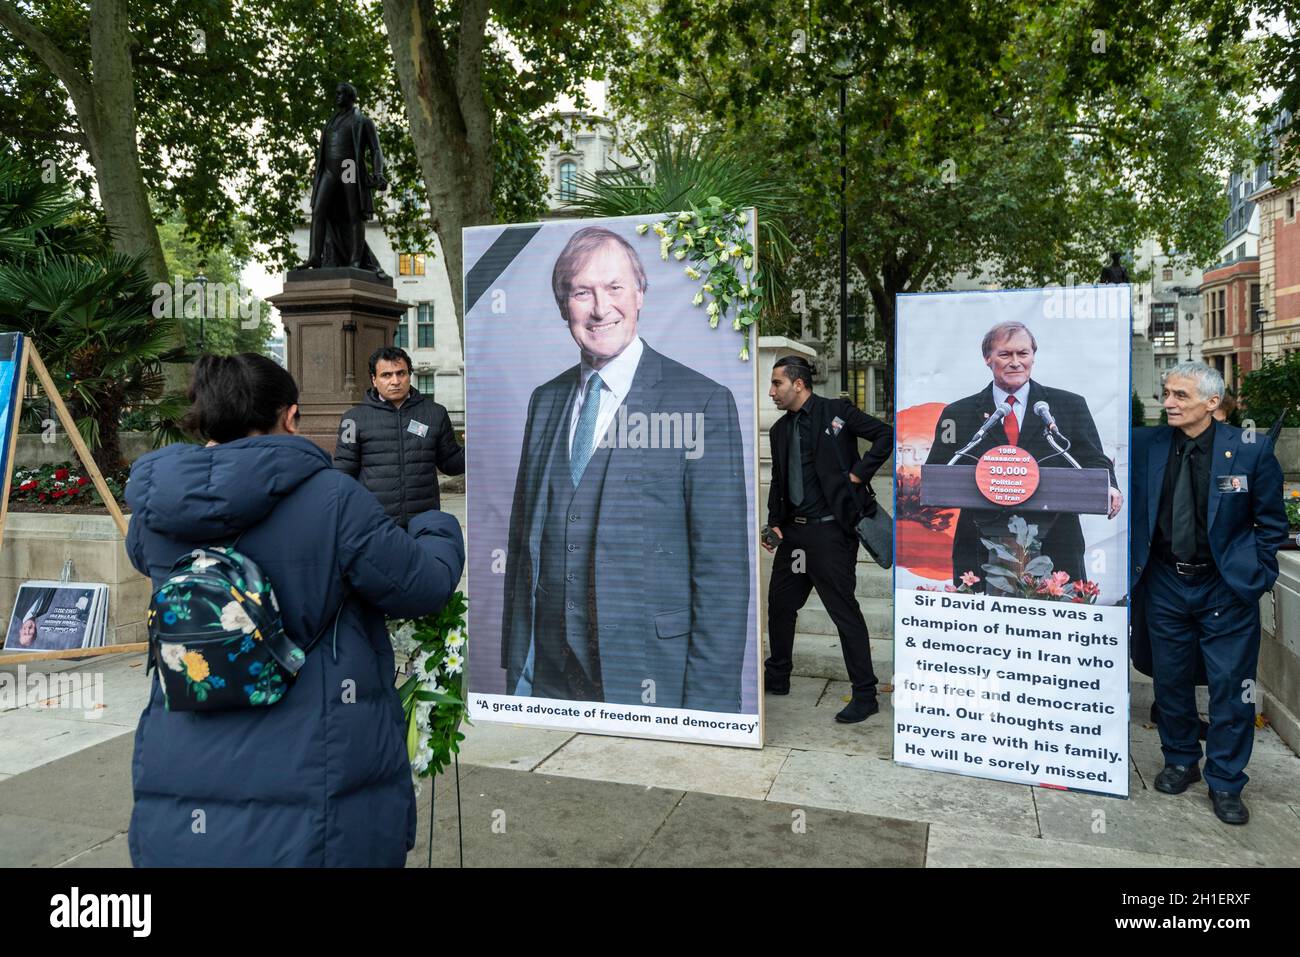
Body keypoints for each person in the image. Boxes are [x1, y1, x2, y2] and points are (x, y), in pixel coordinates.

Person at [124, 353, 465, 866]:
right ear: (290, 416)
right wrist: (436, 528)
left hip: (184, 755)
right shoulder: (331, 498)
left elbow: (142, 557)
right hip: (315, 761)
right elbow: (419, 585)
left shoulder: (156, 508)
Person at [501, 226, 749, 712]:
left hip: (652, 672)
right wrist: (517, 668)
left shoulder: (700, 402)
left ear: (640, 295)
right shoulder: (544, 401)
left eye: (614, 288)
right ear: (563, 305)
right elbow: (522, 542)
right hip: (547, 674)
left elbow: (722, 572)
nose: (599, 308)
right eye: (581, 292)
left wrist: (710, 707)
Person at [1131, 361, 1287, 825]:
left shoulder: (1250, 450)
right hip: (1164, 583)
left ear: (1212, 402)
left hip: (1225, 587)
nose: (1169, 403)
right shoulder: (1148, 445)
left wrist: (1254, 574)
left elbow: (1272, 524)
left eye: (1181, 396)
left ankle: (1225, 781)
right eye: (1166, 393)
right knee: (1171, 681)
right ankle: (1180, 760)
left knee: (1230, 689)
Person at [924, 321, 1122, 587]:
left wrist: (1110, 485)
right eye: (1005, 354)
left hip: (1057, 539)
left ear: (1033, 357)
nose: (1015, 362)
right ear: (987, 358)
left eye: (1023, 354)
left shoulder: (1068, 405)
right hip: (980, 540)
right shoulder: (957, 413)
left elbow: (1093, 458)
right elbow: (940, 468)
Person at [763, 355, 893, 723]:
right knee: (781, 606)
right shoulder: (778, 431)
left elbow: (885, 434)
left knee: (843, 612)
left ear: (798, 384)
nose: (772, 392)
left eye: (777, 384)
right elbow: (778, 481)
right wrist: (775, 524)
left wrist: (859, 474)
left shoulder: (836, 413)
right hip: (796, 535)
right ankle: (778, 676)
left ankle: (865, 694)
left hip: (831, 533)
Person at [333, 346, 464, 527]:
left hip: (424, 522)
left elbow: (450, 463)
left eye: (401, 373)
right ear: (374, 380)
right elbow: (343, 472)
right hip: (375, 523)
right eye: (386, 375)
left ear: (409, 375)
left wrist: (473, 449)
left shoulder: (435, 413)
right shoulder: (353, 419)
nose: (395, 381)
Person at [299, 81, 389, 275]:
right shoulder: (330, 122)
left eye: (341, 93)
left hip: (349, 168)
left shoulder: (363, 121)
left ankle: (355, 259)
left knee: (353, 214)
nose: (337, 96)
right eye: (336, 93)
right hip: (329, 171)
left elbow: (376, 150)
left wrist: (378, 172)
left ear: (350, 96)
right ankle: (314, 256)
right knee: (318, 210)